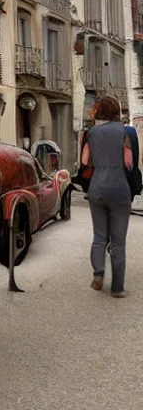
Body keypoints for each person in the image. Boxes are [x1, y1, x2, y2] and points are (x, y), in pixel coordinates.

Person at [81, 95, 133, 298]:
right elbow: (129, 163)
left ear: (98, 111)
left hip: (97, 189)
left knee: (99, 236)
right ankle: (118, 288)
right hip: (119, 188)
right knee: (118, 241)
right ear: (116, 111)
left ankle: (98, 275)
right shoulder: (125, 131)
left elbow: (85, 161)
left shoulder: (92, 133)